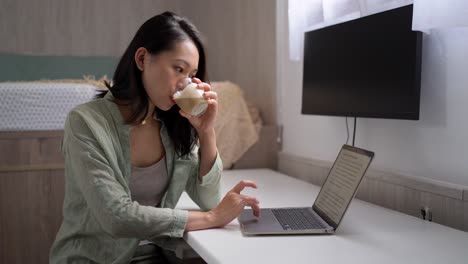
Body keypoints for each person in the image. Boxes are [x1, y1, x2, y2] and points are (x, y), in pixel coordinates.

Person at [50, 11, 260, 264]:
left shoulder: (173, 124)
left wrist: (206, 131)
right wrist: (212, 218)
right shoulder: (86, 122)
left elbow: (209, 199)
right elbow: (117, 217)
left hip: (157, 255)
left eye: (191, 75)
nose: (186, 84)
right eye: (178, 69)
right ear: (142, 58)